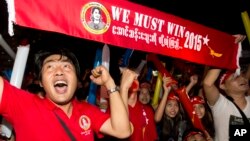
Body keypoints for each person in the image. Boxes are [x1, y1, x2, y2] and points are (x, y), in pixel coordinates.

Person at [0, 48, 133, 140]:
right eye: (50, 67)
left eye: (66, 66)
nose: (59, 71)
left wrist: (109, 83)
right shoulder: (24, 105)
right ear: (40, 82)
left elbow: (122, 130)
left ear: (76, 78)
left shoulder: (87, 111)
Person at [203, 34, 249, 141]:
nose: (242, 78)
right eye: (234, 77)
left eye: (242, 76)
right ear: (223, 86)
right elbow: (208, 84)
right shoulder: (220, 104)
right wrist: (226, 49)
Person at [154, 75, 190, 141]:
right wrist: (166, 92)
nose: (173, 108)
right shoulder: (161, 121)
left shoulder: (180, 120)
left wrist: (191, 83)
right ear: (164, 107)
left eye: (176, 105)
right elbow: (157, 119)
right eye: (169, 105)